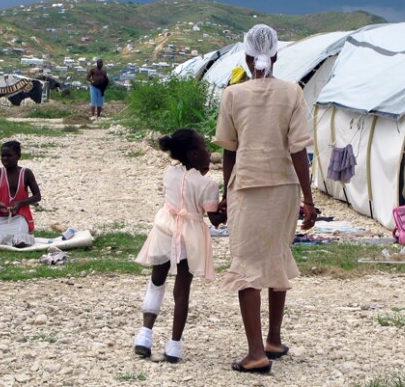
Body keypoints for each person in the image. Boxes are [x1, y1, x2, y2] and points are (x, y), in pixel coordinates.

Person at [213, 24, 318, 374]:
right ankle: (273, 338)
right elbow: (298, 150)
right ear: (275, 56)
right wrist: (308, 199)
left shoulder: (233, 95)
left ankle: (256, 353)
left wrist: (225, 193)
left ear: (246, 56)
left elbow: (230, 151)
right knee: (276, 256)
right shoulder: (293, 93)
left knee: (246, 265)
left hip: (247, 187)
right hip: (285, 188)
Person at [133, 129, 219, 363]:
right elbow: (215, 219)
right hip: (190, 234)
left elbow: (181, 188)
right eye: (204, 147)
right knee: (182, 291)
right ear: (193, 153)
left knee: (156, 281)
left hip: (165, 228)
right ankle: (174, 346)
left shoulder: (169, 172)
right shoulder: (208, 185)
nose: (208, 151)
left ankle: (145, 335)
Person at [0, 140, 42, 247]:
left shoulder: (26, 173)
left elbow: (37, 196)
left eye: (9, 155)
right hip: (0, 215)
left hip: (20, 215)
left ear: (18, 156)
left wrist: (19, 204)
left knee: (19, 238)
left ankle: (18, 240)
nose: (5, 158)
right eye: (2, 156)